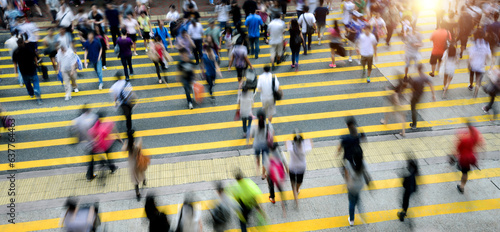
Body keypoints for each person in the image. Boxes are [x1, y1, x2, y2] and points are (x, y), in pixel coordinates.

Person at [86, 112, 119, 181]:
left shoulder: (94, 125)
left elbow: (90, 132)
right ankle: (112, 168)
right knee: (108, 156)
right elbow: (113, 131)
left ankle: (89, 176)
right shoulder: (107, 124)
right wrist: (118, 138)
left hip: (95, 146)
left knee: (92, 161)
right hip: (105, 145)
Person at [454, 121, 483, 193]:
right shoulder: (475, 136)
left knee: (464, 172)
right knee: (465, 172)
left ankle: (461, 187)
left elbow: (458, 149)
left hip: (463, 159)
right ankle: (462, 185)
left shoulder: (464, 139)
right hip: (471, 157)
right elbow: (479, 143)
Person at [12, 36, 42, 105]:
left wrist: (16, 72)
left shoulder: (16, 51)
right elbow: (34, 56)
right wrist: (36, 63)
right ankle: (36, 90)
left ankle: (31, 93)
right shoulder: (29, 48)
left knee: (27, 83)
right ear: (23, 41)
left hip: (23, 70)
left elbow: (15, 63)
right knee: (35, 81)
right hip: (32, 68)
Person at [285, 130, 312, 208]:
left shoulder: (291, 146)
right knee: (299, 181)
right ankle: (297, 189)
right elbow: (311, 145)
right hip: (301, 167)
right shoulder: (304, 146)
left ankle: (295, 198)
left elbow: (286, 142)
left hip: (292, 167)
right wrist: (309, 140)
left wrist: (289, 138)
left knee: (293, 183)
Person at [409, 65, 437, 129]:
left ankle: (414, 124)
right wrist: (433, 95)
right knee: (415, 107)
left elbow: (411, 88)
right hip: (421, 94)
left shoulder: (415, 78)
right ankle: (414, 123)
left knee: (413, 109)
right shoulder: (425, 77)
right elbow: (431, 85)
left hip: (415, 95)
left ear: (418, 70)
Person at [247, 110, 272, 179]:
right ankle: (263, 174)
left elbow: (250, 135)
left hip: (257, 144)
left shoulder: (254, 124)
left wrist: (250, 141)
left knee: (257, 157)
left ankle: (257, 171)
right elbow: (271, 134)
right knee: (265, 159)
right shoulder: (267, 124)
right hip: (265, 144)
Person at [122, 132, 146, 200]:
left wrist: (125, 143)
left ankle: (137, 193)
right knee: (141, 172)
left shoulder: (128, 147)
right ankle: (144, 180)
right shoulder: (136, 147)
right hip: (138, 162)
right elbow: (140, 146)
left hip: (132, 165)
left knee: (135, 178)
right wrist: (140, 139)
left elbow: (123, 150)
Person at [345, 154, 367, 226]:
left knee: (351, 202)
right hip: (359, 185)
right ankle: (362, 215)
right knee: (357, 199)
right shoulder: (363, 164)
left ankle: (351, 220)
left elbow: (346, 173)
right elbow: (366, 174)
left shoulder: (349, 163)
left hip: (352, 186)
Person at [266, 142, 288, 217]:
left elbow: (268, 168)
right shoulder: (281, 154)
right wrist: (287, 173)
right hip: (280, 176)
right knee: (281, 191)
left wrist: (267, 177)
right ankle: (284, 205)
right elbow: (285, 164)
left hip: (272, 176)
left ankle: (272, 198)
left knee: (271, 186)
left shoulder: (270, 155)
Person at [469, 30, 492, 98]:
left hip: (473, 64)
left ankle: (471, 85)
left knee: (471, 75)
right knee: (478, 79)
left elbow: (470, 56)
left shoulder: (474, 43)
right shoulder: (486, 43)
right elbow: (489, 55)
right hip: (481, 65)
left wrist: (468, 63)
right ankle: (476, 92)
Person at [397, 158, 419, 222]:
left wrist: (401, 176)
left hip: (408, 190)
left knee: (405, 201)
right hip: (413, 188)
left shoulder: (407, 175)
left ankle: (402, 215)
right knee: (406, 200)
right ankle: (404, 212)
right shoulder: (414, 171)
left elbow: (403, 184)